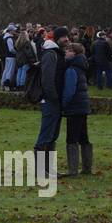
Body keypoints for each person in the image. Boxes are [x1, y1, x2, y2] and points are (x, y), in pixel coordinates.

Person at [31, 26, 70, 180]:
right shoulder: (50, 54)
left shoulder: (57, 53)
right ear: (57, 38)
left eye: (67, 37)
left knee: (52, 135)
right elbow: (47, 79)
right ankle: (41, 170)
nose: (66, 39)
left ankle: (49, 169)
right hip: (50, 100)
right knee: (46, 134)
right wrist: (53, 97)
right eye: (64, 37)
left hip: (56, 100)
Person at [60, 41, 94, 176]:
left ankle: (73, 170)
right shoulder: (81, 66)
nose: (66, 53)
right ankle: (87, 167)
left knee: (72, 138)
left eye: (68, 50)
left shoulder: (71, 69)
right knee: (83, 137)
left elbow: (69, 90)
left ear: (74, 53)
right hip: (83, 106)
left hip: (74, 107)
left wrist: (64, 104)